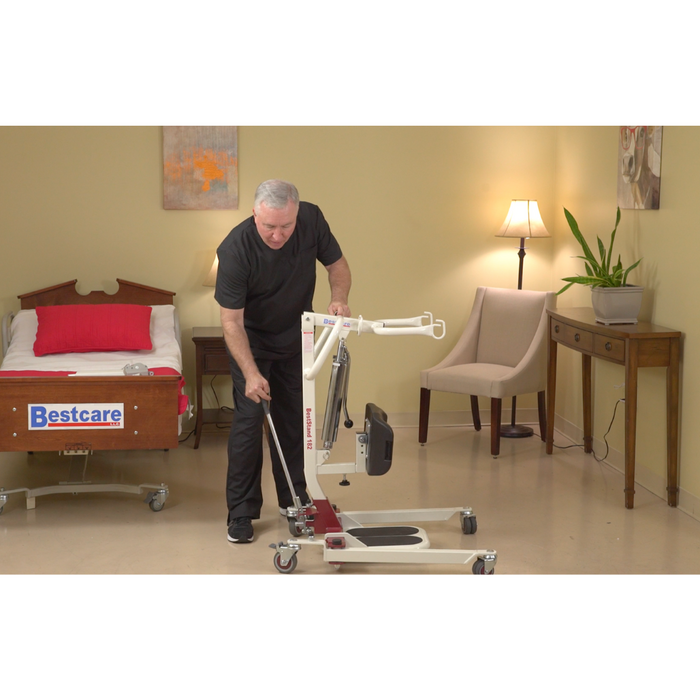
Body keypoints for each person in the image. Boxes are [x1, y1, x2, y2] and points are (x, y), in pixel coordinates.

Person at [215, 180, 351, 543]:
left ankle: (294, 499)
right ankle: (241, 513)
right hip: (251, 343)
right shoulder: (235, 250)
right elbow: (231, 322)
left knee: (294, 420)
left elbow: (337, 266)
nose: (278, 235)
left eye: (286, 226)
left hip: (295, 337)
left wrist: (338, 299)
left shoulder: (312, 219)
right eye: (269, 226)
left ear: (296, 213)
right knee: (248, 422)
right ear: (254, 215)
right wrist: (250, 373)